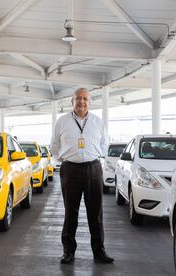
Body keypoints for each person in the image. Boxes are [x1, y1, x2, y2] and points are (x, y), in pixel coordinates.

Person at [50, 87, 114, 264]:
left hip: (93, 169)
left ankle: (99, 252)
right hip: (70, 170)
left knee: (96, 213)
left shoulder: (97, 122)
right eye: (78, 98)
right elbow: (54, 146)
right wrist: (64, 158)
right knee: (71, 212)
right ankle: (68, 251)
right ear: (72, 101)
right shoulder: (62, 122)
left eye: (85, 99)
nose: (82, 102)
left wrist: (92, 155)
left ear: (89, 102)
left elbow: (104, 144)